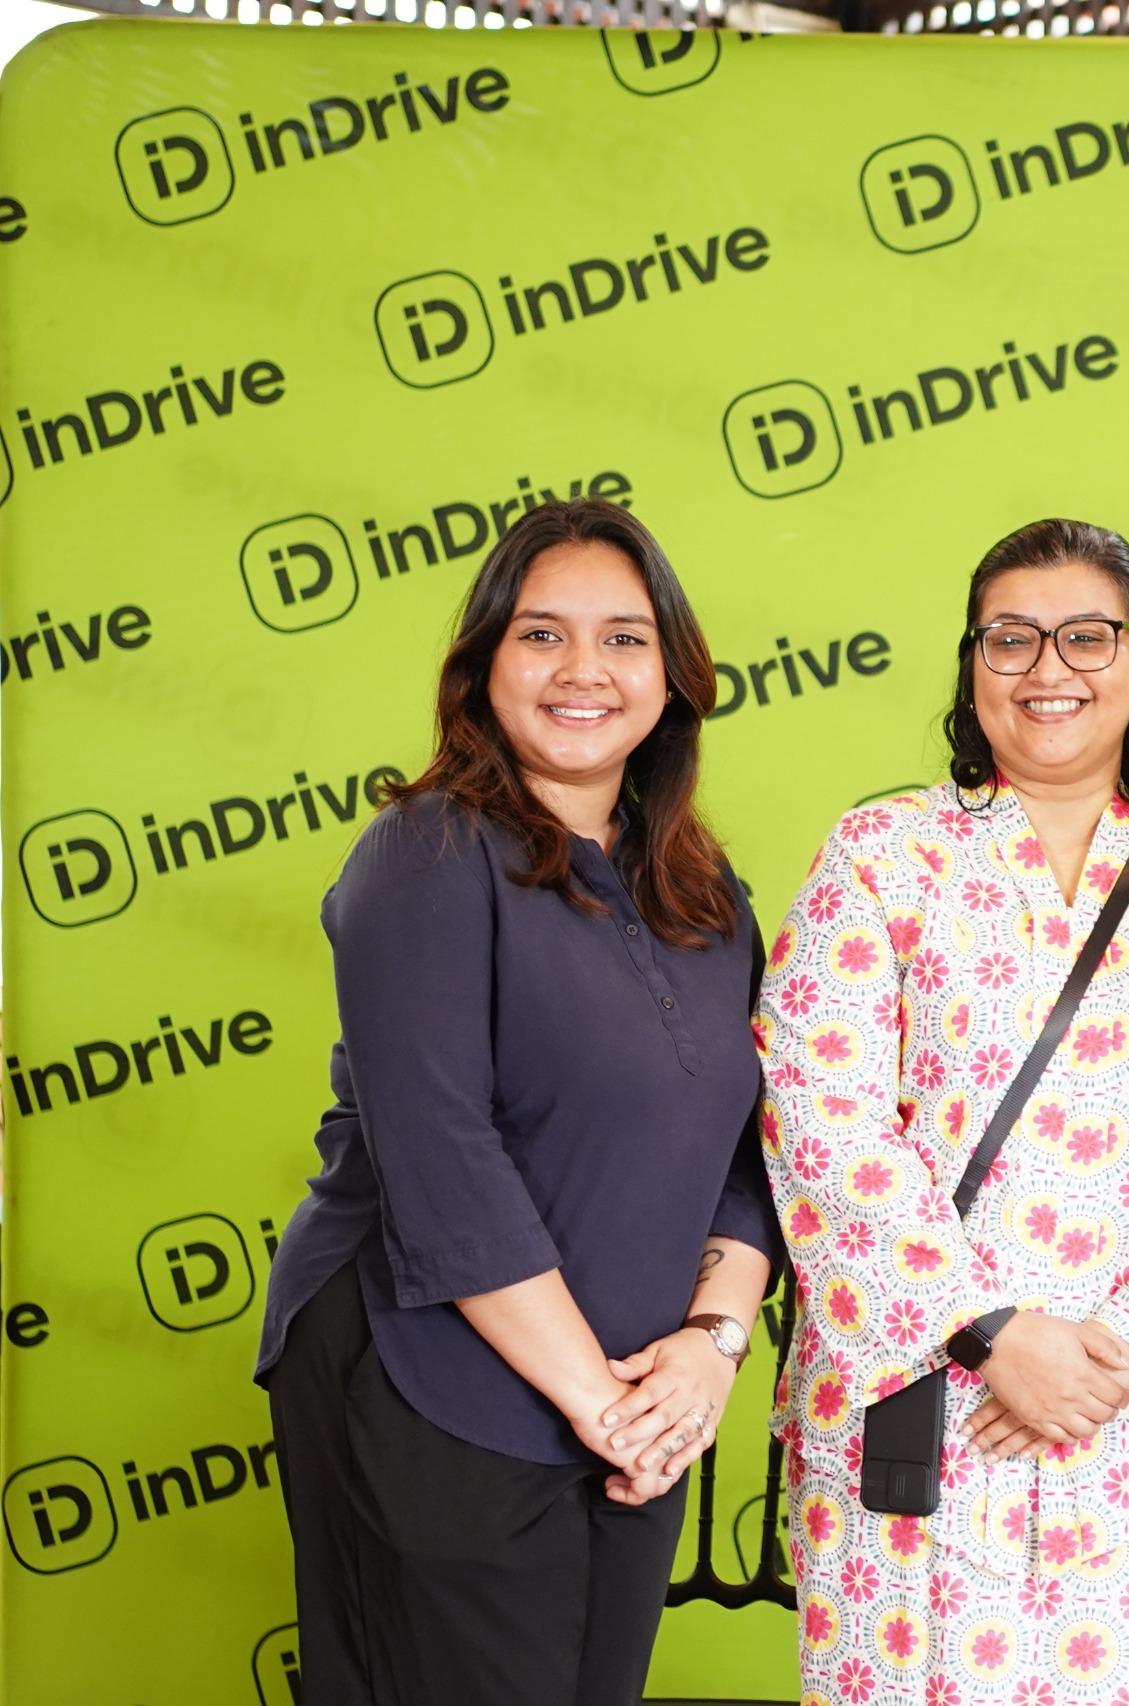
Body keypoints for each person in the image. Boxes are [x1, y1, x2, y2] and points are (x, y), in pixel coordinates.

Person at [255, 498, 783, 1705]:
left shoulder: (706, 894)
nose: (583, 669)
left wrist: (706, 1352)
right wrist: (599, 1401)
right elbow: (443, 1161)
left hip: (636, 1402)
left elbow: (748, 1157)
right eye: (542, 634)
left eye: (624, 637)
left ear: (673, 675)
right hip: (429, 1375)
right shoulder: (427, 852)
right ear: (483, 665)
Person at [757, 519, 1129, 1706]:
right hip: (920, 1393)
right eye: (1010, 638)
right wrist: (986, 1329)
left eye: (1087, 636)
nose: (1047, 668)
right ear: (971, 666)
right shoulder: (879, 853)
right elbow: (819, 1108)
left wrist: (1114, 1345)